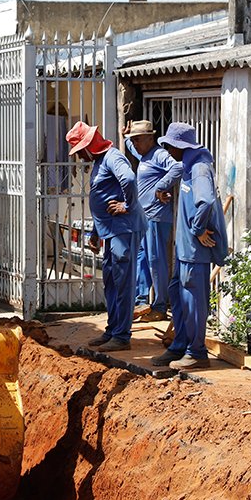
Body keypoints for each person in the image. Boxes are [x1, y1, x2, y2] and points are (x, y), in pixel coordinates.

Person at [151, 122, 228, 370]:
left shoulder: (199, 168)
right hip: (183, 250)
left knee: (194, 302)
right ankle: (179, 345)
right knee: (178, 295)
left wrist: (197, 229)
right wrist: (161, 189)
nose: (167, 150)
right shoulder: (186, 165)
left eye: (169, 146)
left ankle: (197, 352)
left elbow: (205, 201)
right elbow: (178, 181)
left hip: (194, 252)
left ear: (179, 146)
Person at [66, 120, 145, 352]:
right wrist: (95, 232)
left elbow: (129, 180)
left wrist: (128, 206)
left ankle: (122, 336)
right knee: (111, 281)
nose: (80, 157)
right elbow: (102, 198)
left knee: (123, 283)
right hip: (111, 231)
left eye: (80, 152)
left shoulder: (113, 157)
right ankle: (113, 330)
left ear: (89, 146)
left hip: (124, 229)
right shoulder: (101, 162)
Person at [124, 120, 181, 322]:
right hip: (144, 215)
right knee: (142, 259)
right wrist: (126, 137)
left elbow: (178, 167)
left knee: (156, 261)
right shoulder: (144, 154)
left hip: (157, 216)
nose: (135, 143)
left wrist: (161, 187)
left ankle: (159, 306)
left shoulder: (159, 154)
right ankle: (141, 302)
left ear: (150, 138)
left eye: (138, 139)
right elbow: (132, 147)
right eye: (134, 140)